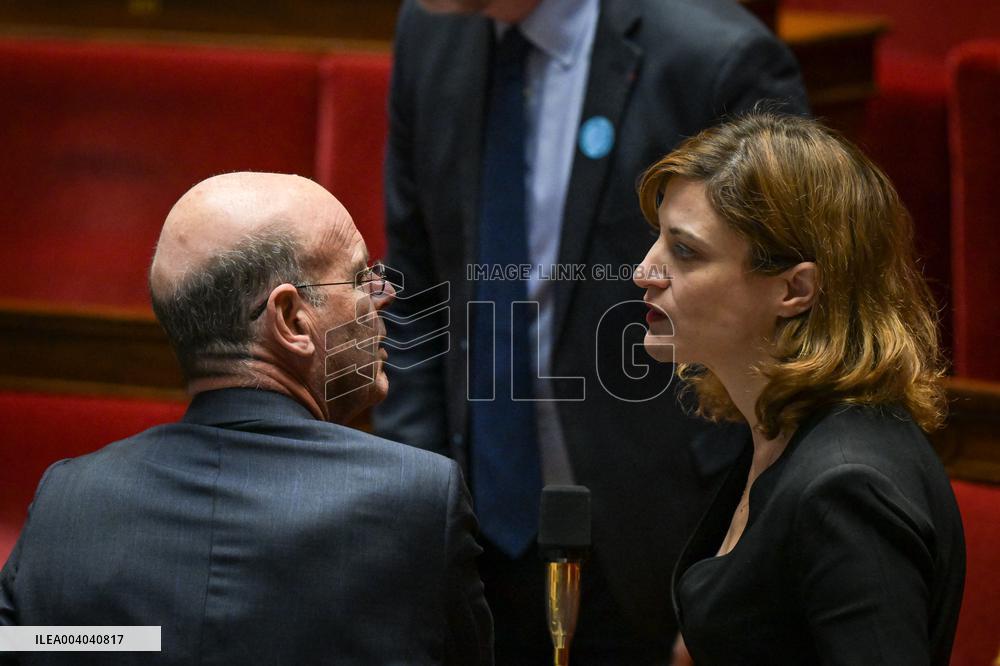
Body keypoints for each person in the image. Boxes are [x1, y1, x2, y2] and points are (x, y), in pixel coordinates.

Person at [375, 0, 809, 662]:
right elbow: (413, 283)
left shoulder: (718, 61)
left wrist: (735, 565)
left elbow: (791, 332)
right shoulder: (431, 28)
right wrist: (416, 503)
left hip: (665, 541)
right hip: (474, 533)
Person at [0, 173, 493, 665]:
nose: (383, 295)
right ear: (292, 320)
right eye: (360, 277)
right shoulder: (417, 501)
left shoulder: (66, 501)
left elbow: (25, 646)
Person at [634, 112, 966, 664]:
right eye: (658, 240)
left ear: (795, 288)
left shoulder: (848, 487)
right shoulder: (784, 428)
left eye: (685, 251)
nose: (646, 271)